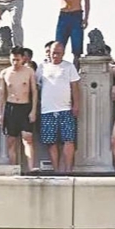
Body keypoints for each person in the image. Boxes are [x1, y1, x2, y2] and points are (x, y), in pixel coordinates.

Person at [37, 42, 80, 172]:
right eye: (53, 53)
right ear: (49, 52)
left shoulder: (69, 67)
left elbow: (75, 87)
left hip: (65, 109)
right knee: (51, 142)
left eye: (58, 53)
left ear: (63, 53)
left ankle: (68, 170)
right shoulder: (42, 67)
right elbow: (36, 86)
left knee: (69, 140)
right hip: (47, 110)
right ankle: (56, 170)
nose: (55, 55)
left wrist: (76, 104)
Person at [0, 46, 37, 171]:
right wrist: (1, 113)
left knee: (28, 139)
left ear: (23, 59)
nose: (15, 63)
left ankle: (31, 167)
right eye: (13, 59)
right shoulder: (4, 73)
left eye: (17, 60)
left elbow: (34, 92)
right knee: (11, 140)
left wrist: (33, 110)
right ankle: (13, 168)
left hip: (25, 106)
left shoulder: (29, 71)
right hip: (11, 107)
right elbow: (1, 94)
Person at [47, 0, 91, 68]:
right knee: (58, 45)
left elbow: (87, 0)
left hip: (76, 14)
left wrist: (86, 18)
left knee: (77, 48)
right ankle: (57, 69)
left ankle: (75, 71)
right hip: (63, 15)